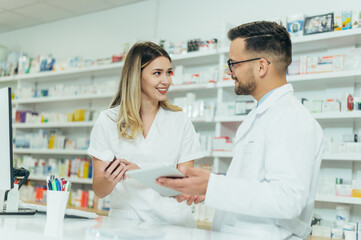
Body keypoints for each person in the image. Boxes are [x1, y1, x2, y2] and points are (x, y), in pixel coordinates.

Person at [157, 21, 324, 239]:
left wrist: (214, 187)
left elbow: (288, 199)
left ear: (261, 66)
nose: (230, 71)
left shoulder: (291, 118)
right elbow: (254, 184)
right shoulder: (259, 115)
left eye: (233, 63)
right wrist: (208, 188)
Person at [88, 41, 204, 227]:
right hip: (126, 223)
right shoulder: (108, 121)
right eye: (157, 73)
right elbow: (99, 190)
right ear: (136, 76)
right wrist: (110, 178)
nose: (166, 81)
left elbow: (184, 187)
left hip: (173, 225)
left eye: (169, 72)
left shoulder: (179, 120)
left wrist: (140, 173)